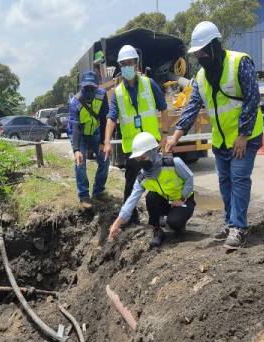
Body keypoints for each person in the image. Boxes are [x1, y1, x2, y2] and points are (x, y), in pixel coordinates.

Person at [165, 21, 264, 250]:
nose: (199, 56)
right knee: (225, 183)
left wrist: (243, 134)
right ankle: (231, 223)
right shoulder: (200, 77)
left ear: (214, 46)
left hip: (244, 137)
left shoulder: (239, 62)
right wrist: (175, 136)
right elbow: (192, 107)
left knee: (238, 179)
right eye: (196, 53)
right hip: (221, 140)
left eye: (202, 52)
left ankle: (239, 227)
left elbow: (252, 98)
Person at [104, 44, 169, 225]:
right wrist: (107, 141)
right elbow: (111, 118)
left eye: (129, 63)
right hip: (132, 148)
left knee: (157, 178)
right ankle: (130, 217)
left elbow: (164, 108)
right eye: (123, 64)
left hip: (151, 143)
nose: (126, 66)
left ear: (136, 64)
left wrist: (164, 134)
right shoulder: (117, 93)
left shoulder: (149, 84)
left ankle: (160, 214)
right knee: (131, 181)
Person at [108, 132, 195, 247]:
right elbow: (131, 201)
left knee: (174, 222)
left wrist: (182, 197)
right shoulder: (143, 176)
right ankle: (157, 230)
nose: (141, 161)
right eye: (138, 159)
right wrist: (116, 224)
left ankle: (178, 222)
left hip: (183, 201)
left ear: (153, 152)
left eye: (143, 157)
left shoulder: (173, 163)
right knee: (151, 197)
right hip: (166, 201)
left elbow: (189, 178)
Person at [69, 71, 110, 207]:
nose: (89, 90)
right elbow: (75, 127)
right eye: (86, 88)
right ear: (82, 87)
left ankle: (98, 192)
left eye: (92, 88)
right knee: (80, 162)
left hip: (95, 133)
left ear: (97, 87)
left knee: (104, 158)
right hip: (80, 135)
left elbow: (104, 119)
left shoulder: (102, 95)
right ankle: (84, 196)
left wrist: (103, 142)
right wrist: (76, 150)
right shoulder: (75, 102)